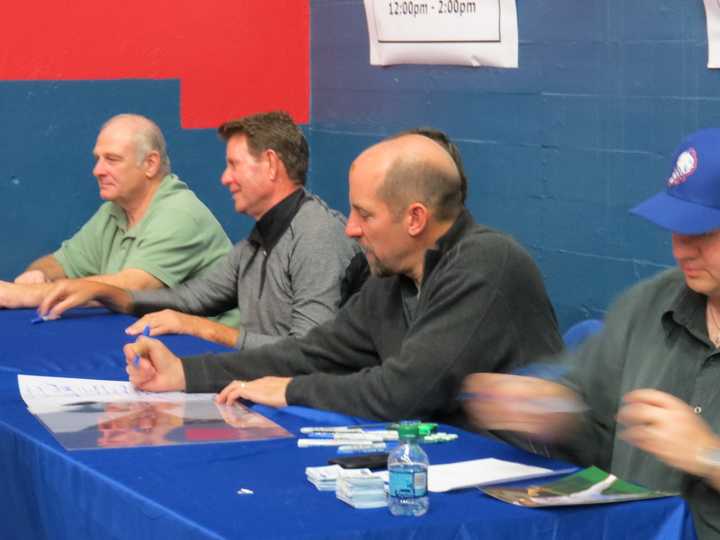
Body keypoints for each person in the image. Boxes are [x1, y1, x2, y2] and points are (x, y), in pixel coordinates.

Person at [120, 130, 563, 426]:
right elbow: (311, 352)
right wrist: (185, 373)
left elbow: (404, 393)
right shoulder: (391, 278)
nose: (350, 227)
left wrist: (293, 391)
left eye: (364, 214)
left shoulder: (486, 262)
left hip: (528, 485)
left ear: (415, 218)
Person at [462, 128, 720, 539]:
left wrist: (709, 457)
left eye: (703, 234)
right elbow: (597, 431)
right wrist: (554, 415)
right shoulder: (648, 305)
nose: (680, 250)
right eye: (675, 229)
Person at [39, 111, 358, 349]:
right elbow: (191, 298)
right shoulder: (257, 240)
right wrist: (105, 292)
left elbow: (311, 350)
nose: (224, 178)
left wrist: (206, 329)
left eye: (233, 165)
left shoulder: (317, 235)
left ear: (271, 165)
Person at [0, 114, 232, 310]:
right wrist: (39, 275)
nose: (97, 170)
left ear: (150, 164)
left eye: (112, 159)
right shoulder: (114, 210)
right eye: (98, 159)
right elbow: (61, 263)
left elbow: (132, 288)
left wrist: (26, 295)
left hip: (213, 351)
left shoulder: (181, 215)